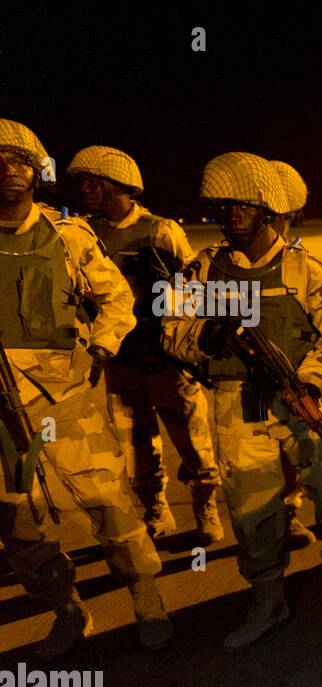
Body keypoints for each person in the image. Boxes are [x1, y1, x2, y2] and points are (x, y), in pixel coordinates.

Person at [163, 151, 322, 648]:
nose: (230, 215)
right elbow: (170, 331)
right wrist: (208, 335)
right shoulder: (202, 270)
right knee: (251, 512)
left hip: (303, 403)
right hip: (236, 405)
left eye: (241, 205)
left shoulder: (307, 269)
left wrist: (309, 385)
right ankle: (268, 600)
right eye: (223, 206)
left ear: (266, 209)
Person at [0, 119, 173, 654]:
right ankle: (67, 610)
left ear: (36, 172)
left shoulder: (68, 236)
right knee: (18, 526)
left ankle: (148, 602)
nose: (10, 172)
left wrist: (100, 347)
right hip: (3, 414)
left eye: (20, 161)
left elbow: (118, 299)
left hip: (66, 400)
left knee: (111, 506)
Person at [67, 145, 223, 545]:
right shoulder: (86, 233)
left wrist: (187, 343)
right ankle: (155, 507)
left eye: (92, 183)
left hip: (166, 357)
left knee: (191, 437)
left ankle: (205, 505)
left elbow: (191, 290)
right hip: (120, 358)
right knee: (135, 441)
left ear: (117, 186)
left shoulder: (161, 230)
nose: (83, 189)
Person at [266, 159, 319, 549]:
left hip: (302, 378)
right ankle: (286, 513)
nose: (275, 224)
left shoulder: (306, 267)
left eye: (281, 216)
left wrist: (316, 379)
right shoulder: (217, 266)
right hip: (251, 384)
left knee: (315, 449)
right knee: (266, 458)